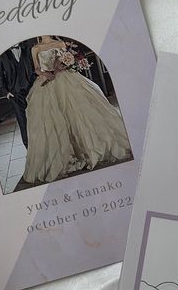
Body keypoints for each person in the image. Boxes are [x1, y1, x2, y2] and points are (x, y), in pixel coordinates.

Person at [22, 35, 133, 184]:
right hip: (47, 80)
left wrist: (62, 65)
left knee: (78, 113)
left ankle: (87, 149)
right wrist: (45, 73)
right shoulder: (35, 48)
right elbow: (36, 68)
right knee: (53, 118)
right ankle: (66, 155)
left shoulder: (60, 43)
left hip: (65, 79)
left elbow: (66, 60)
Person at [0, 41, 35, 148]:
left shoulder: (27, 49)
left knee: (35, 119)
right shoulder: (2, 56)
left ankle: (39, 145)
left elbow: (34, 68)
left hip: (31, 90)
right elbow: (0, 75)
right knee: (22, 122)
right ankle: (28, 147)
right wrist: (6, 92)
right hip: (15, 94)